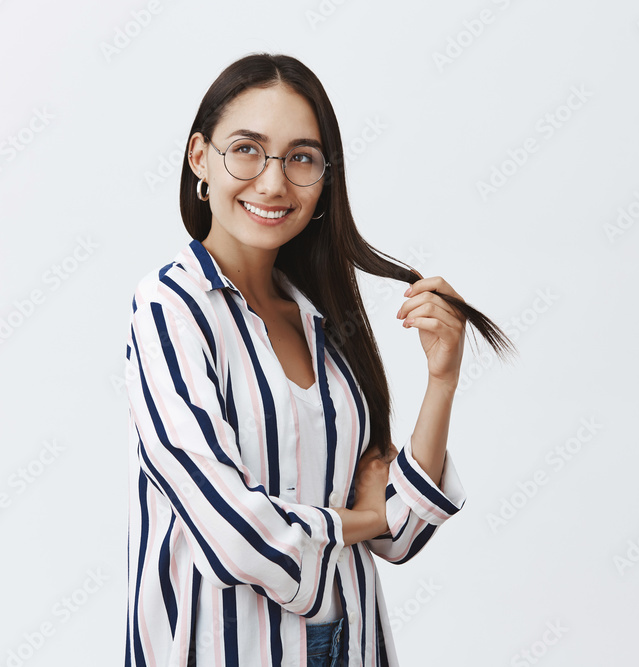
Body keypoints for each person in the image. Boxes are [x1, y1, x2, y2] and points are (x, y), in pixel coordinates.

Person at [124, 53, 515, 667]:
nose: (273, 183)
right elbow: (234, 535)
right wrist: (357, 521)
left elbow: (401, 529)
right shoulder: (170, 309)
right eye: (247, 149)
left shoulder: (321, 319)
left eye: (301, 158)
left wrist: (442, 380)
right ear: (200, 157)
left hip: (353, 642)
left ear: (325, 176)